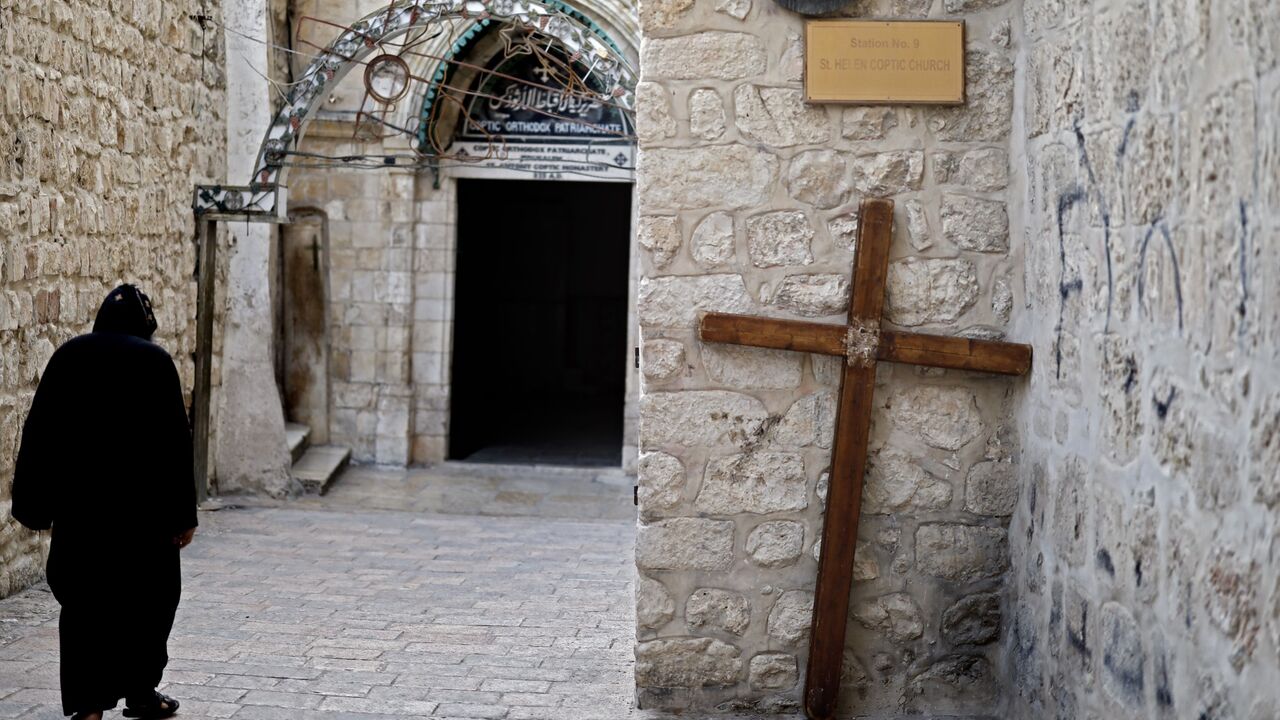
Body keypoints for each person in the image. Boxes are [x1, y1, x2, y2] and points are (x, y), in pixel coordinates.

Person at [11, 284, 198, 720]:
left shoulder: (68, 356)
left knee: (85, 611)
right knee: (149, 606)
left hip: (83, 518)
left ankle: (89, 706)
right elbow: (174, 444)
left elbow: (40, 435)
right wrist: (183, 516)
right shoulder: (155, 362)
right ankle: (141, 691)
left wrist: (36, 505)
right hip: (144, 523)